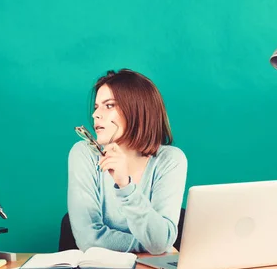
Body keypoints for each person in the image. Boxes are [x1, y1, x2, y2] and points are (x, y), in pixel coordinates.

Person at [67, 68, 188, 255]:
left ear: (137, 109)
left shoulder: (170, 160)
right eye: (96, 107)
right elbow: (88, 239)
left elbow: (160, 241)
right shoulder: (83, 154)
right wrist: (153, 247)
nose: (95, 115)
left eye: (108, 105)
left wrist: (125, 185)